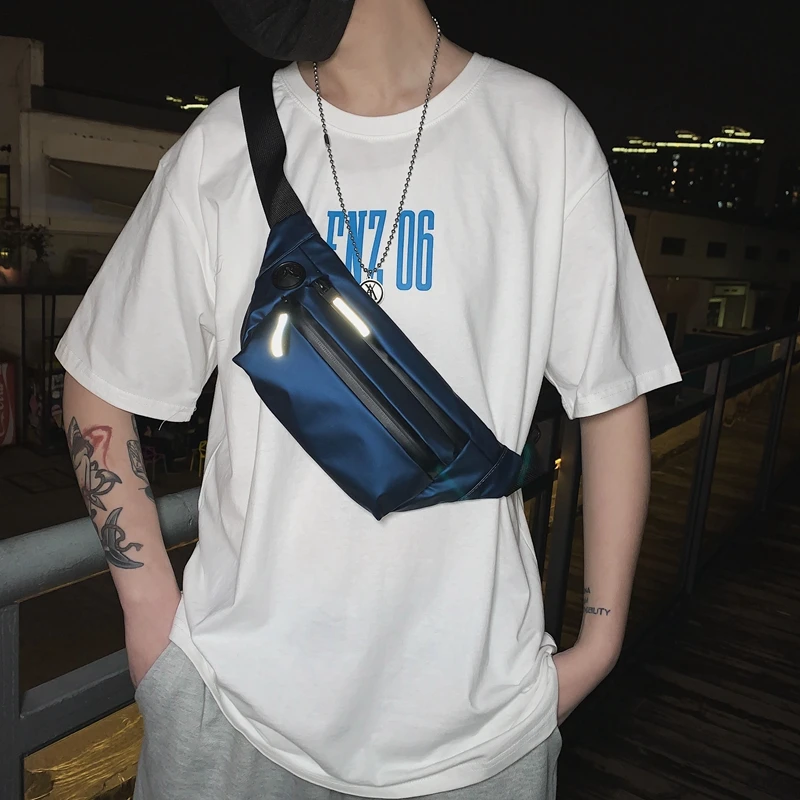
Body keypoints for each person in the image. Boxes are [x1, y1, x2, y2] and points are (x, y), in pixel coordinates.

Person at [58, 0, 681, 798]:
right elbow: (98, 383)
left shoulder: (539, 134)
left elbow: (612, 396)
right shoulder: (227, 141)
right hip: (233, 705)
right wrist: (151, 614)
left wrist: (601, 642)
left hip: (478, 727)